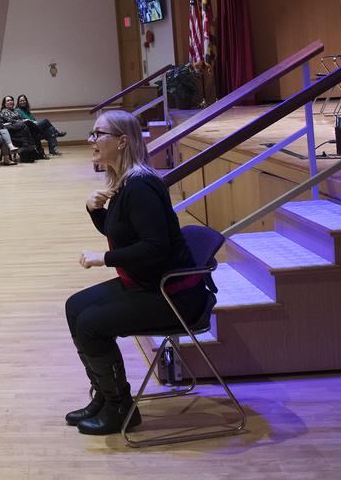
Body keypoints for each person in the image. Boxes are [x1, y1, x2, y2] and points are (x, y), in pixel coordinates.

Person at [64, 111, 206, 436]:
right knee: (75, 307)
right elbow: (123, 232)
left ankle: (120, 408)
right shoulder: (124, 182)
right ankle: (104, 395)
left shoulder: (140, 186)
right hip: (146, 283)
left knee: (91, 324)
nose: (91, 140)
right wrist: (95, 211)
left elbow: (154, 248)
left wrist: (105, 258)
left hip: (173, 295)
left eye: (98, 134)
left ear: (122, 140)